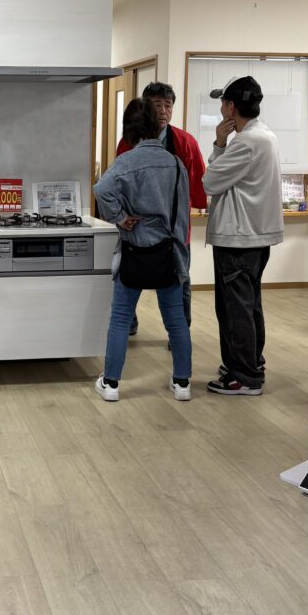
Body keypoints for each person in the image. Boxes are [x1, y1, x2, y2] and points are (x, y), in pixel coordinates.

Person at [93, 97, 192, 403]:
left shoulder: (125, 162)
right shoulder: (175, 164)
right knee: (176, 320)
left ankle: (111, 384)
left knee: (121, 318)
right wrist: (181, 252)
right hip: (168, 253)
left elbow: (101, 189)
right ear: (155, 126)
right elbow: (182, 214)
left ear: (129, 130)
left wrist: (120, 217)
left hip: (134, 249)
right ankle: (182, 383)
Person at [203, 76, 284, 395]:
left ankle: (244, 376)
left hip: (237, 237)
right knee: (249, 305)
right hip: (255, 236)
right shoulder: (266, 135)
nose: (222, 108)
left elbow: (210, 181)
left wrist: (219, 143)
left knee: (234, 308)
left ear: (231, 106)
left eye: (223, 102)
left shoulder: (246, 142)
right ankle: (250, 363)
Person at [115, 81, 207, 335]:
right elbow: (117, 183)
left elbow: (197, 180)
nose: (163, 111)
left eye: (168, 105)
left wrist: (199, 204)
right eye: (157, 105)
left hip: (175, 227)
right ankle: (130, 323)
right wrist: (121, 215)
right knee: (129, 276)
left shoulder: (185, 142)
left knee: (180, 279)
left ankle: (180, 330)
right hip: (137, 226)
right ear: (146, 108)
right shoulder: (128, 142)